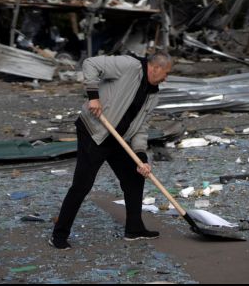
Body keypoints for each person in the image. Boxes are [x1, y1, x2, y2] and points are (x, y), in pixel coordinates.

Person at [49, 52, 174, 250]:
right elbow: (89, 63)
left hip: (118, 139)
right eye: (166, 73)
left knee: (135, 177)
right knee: (82, 184)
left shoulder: (153, 94)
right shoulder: (128, 66)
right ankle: (59, 234)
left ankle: (134, 229)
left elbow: (142, 127)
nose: (166, 78)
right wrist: (93, 97)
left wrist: (141, 157)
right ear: (155, 67)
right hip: (95, 132)